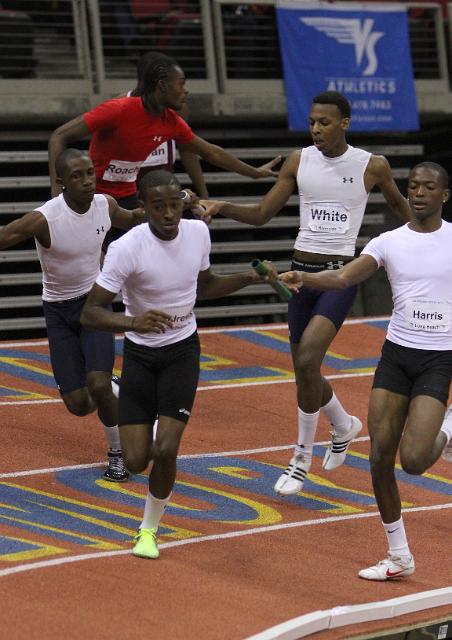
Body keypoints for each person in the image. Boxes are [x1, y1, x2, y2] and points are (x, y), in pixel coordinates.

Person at [200, 91, 412, 496]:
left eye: (324, 122)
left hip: (338, 277)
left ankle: (300, 459)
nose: (315, 128)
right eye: (312, 121)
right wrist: (222, 205)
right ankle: (343, 423)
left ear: (344, 123)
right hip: (299, 274)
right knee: (304, 370)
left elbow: (406, 214)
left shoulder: (373, 166)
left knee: (310, 356)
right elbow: (262, 215)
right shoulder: (299, 161)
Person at [274, 161, 452, 580]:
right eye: (413, 186)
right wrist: (306, 277)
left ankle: (448, 428)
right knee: (377, 459)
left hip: (438, 357)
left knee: (412, 461)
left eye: (429, 187)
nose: (419, 193)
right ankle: (399, 556)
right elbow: (342, 278)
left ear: (444, 195)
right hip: (396, 356)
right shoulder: (388, 241)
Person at [80, 169, 269, 559]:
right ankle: (141, 410)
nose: (168, 215)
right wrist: (134, 321)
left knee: (165, 450)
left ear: (183, 203)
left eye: (174, 206)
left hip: (183, 350)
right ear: (143, 208)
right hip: (140, 354)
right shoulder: (127, 248)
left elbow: (207, 286)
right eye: (159, 207)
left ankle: (148, 531)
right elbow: (91, 313)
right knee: (135, 460)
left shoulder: (198, 232)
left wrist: (248, 278)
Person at [0, 148, 151, 482]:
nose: (87, 182)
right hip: (57, 312)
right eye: (77, 176)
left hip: (93, 304)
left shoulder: (105, 205)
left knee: (97, 385)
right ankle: (115, 385)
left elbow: (131, 219)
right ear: (60, 182)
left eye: (90, 174)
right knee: (79, 404)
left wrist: (176, 202)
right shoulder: (45, 218)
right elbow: (4, 236)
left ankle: (117, 453)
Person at [47, 50, 280, 221]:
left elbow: (210, 152)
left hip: (128, 198)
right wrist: (58, 197)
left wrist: (255, 173)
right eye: (181, 83)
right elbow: (59, 136)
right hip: (94, 199)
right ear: (162, 86)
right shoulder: (118, 108)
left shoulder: (171, 121)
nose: (186, 90)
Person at [102, 51, 209, 251]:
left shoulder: (176, 109)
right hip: (131, 195)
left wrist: (204, 195)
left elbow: (188, 150)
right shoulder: (118, 107)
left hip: (164, 189)